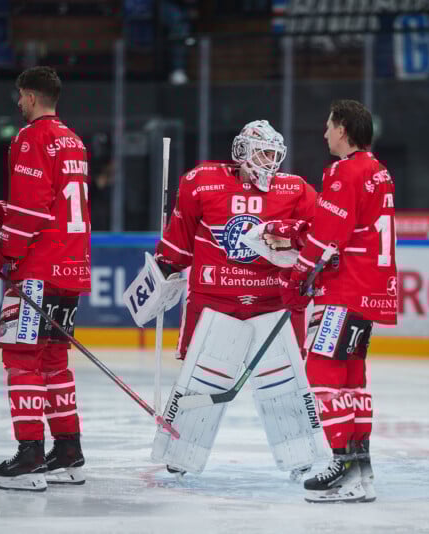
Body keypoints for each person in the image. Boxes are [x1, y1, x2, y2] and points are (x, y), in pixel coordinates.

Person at [141, 119, 321, 478]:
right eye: (263, 153)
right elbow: (179, 242)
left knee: (283, 382)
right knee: (200, 381)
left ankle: (299, 455)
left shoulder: (296, 189)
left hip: (273, 303)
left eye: (275, 154)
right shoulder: (201, 182)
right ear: (242, 152)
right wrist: (164, 269)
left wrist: (298, 245)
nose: (270, 161)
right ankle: (182, 453)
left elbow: (319, 236)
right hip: (214, 302)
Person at [0, 67, 92, 492]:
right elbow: (52, 203)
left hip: (37, 270)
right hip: (71, 266)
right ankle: (68, 450)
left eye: (20, 97)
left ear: (30, 96)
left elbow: (32, 211)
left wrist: (0, 251)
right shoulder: (73, 139)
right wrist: (7, 209)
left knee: (23, 360)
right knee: (54, 361)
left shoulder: (31, 137)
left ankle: (30, 456)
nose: (18, 104)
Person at [274, 100, 397, 503]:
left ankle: (342, 467)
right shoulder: (378, 171)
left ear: (342, 128)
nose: (325, 134)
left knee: (324, 374)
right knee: (353, 380)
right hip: (369, 294)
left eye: (328, 126)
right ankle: (360, 469)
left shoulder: (344, 172)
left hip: (343, 295)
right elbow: (346, 226)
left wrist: (297, 276)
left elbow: (328, 240)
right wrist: (296, 232)